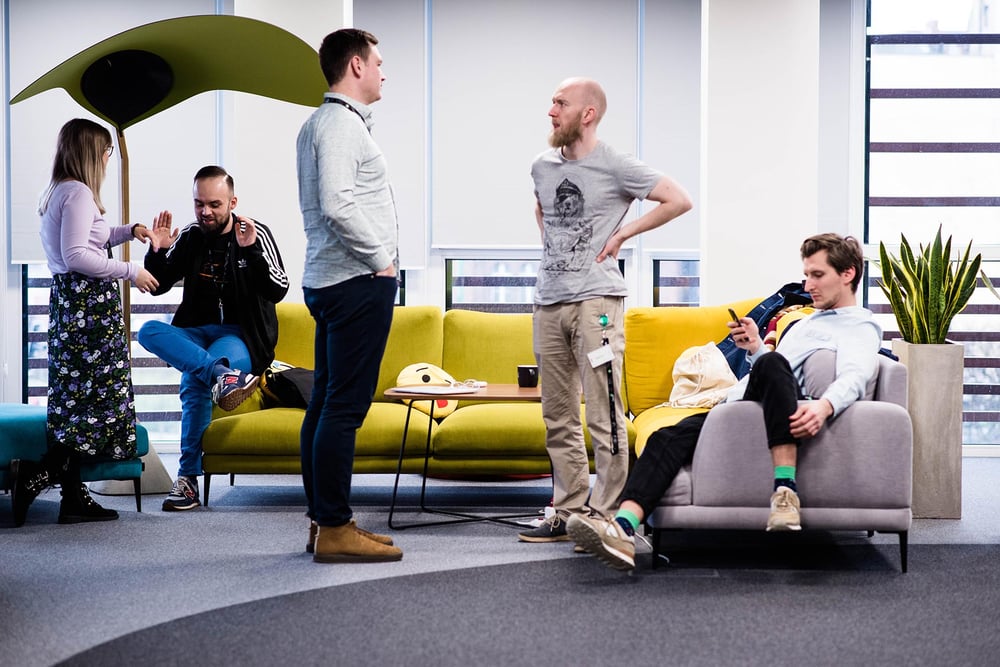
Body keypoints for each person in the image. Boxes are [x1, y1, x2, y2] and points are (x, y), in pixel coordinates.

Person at [566, 233, 883, 570]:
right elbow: (778, 370)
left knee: (772, 363)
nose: (807, 285)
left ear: (848, 274)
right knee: (664, 437)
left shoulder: (859, 325)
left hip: (772, 414)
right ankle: (622, 530)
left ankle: (785, 491)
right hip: (738, 407)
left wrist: (824, 405)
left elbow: (856, 375)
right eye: (806, 275)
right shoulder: (812, 320)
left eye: (817, 275)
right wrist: (754, 347)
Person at [518, 77, 693, 543]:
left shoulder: (615, 164)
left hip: (597, 301)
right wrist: (555, 251)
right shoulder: (541, 166)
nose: (551, 111)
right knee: (557, 414)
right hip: (548, 301)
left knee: (603, 412)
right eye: (552, 102)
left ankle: (606, 514)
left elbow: (678, 199)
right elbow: (542, 210)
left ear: (587, 113)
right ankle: (568, 509)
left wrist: (621, 235)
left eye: (560, 103)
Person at [11, 118, 160, 526]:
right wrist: (130, 271)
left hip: (71, 308)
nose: (109, 158)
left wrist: (130, 231)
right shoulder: (77, 193)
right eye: (106, 151)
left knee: (77, 406)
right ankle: (36, 476)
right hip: (87, 312)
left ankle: (72, 498)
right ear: (92, 154)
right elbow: (77, 255)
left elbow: (92, 238)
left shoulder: (60, 190)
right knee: (98, 404)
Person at [296, 28, 402, 563]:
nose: (384, 71)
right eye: (378, 62)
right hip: (354, 281)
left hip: (333, 280)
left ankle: (325, 521)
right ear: (356, 65)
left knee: (325, 404)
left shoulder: (323, 123)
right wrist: (381, 260)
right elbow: (338, 204)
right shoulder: (339, 125)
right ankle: (336, 527)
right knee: (343, 408)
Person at [137, 166, 288, 511]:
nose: (205, 212)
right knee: (148, 331)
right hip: (197, 332)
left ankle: (187, 480)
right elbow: (158, 285)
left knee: (193, 380)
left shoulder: (255, 233)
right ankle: (222, 375)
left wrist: (251, 252)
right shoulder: (192, 236)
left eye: (214, 204)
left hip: (238, 335)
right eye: (199, 204)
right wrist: (158, 251)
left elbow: (278, 289)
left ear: (232, 202)